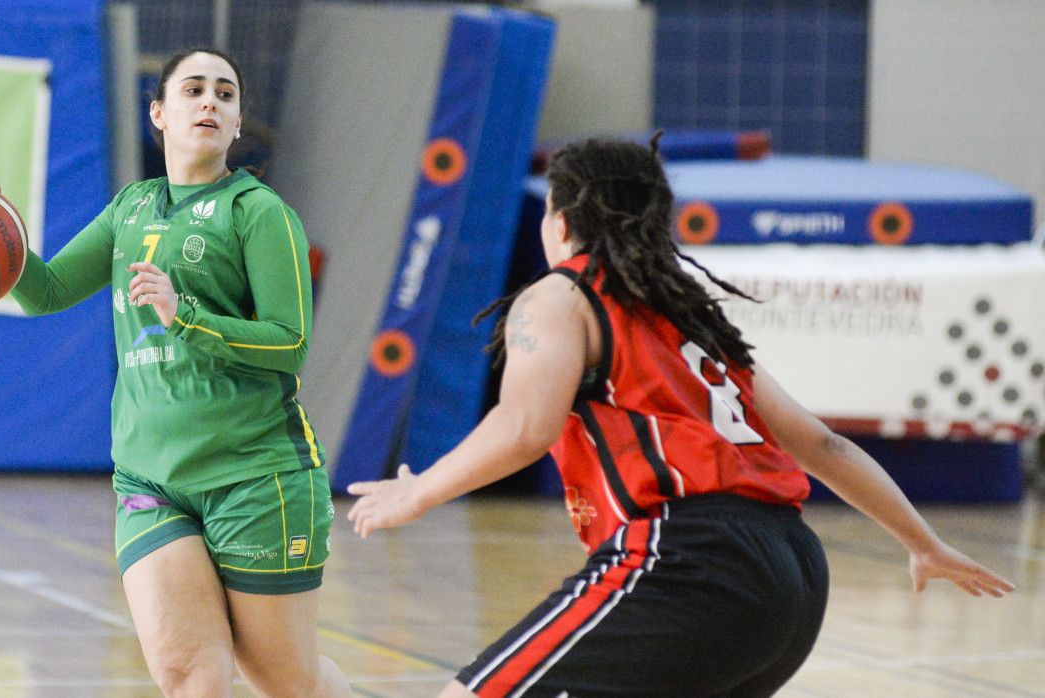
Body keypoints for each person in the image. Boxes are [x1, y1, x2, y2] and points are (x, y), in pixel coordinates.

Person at [346, 136, 1014, 697]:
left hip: (690, 559)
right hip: (794, 575)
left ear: (561, 218)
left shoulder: (562, 294)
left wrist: (417, 491)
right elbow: (822, 444)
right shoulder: (688, 314)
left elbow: (527, 427)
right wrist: (921, 541)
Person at [0, 48, 351, 698]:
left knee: (285, 681)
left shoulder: (258, 212)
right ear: (158, 112)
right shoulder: (132, 208)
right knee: (191, 677)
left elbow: (289, 343)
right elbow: (44, 292)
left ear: (238, 123)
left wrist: (187, 316)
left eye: (225, 94)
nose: (210, 101)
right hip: (149, 477)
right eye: (193, 89)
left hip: (254, 476)